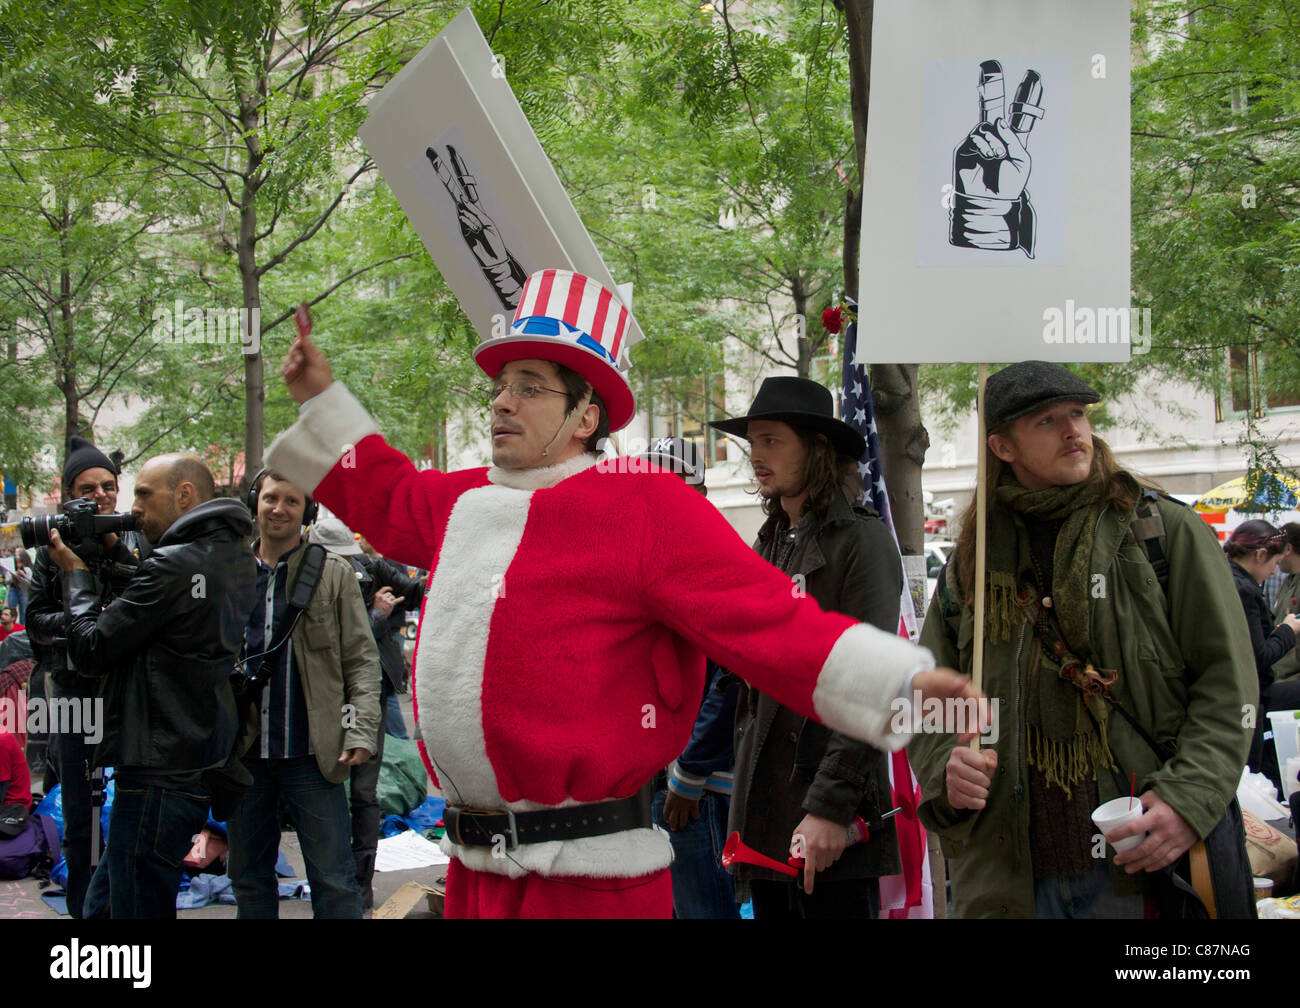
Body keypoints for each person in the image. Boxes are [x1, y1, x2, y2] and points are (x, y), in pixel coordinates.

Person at [266, 267, 982, 919]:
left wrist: (906, 687)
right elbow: (387, 495)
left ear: (585, 417)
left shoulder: (643, 506)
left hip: (588, 886)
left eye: (531, 387)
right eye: (501, 385)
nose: (503, 402)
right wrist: (323, 400)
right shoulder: (466, 501)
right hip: (476, 878)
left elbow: (769, 624)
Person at [911, 361, 1257, 918]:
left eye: (1077, 413)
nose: (1075, 430)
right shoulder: (971, 564)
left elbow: (1229, 685)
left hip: (1142, 862)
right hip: (1010, 878)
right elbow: (928, 695)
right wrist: (945, 768)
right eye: (1046, 421)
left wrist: (1187, 800)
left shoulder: (1162, 532)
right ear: (1003, 446)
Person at [710, 378, 901, 918]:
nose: (756, 458)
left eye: (771, 441)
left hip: (826, 814)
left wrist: (829, 809)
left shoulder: (861, 540)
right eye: (752, 443)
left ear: (817, 448)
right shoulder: (770, 539)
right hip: (765, 808)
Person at [46, 453, 257, 919]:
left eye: (144, 494)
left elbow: (92, 647)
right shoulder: (233, 553)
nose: (133, 507)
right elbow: (165, 612)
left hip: (158, 770)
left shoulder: (174, 564)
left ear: (184, 495)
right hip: (188, 760)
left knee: (137, 908)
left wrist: (75, 573)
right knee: (106, 904)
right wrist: (118, 563)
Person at [226, 471, 381, 919]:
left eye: (291, 501)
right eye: (271, 498)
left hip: (313, 755)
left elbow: (361, 659)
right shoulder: (229, 573)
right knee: (249, 883)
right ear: (255, 502)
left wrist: (361, 731)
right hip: (244, 754)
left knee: (333, 882)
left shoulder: (333, 574)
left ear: (307, 511)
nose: (279, 508)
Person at [23, 437, 145, 918]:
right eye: (87, 488)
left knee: (132, 812)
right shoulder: (52, 548)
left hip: (128, 695)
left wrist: (113, 552)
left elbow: (146, 602)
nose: (100, 497)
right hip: (75, 696)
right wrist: (88, 619)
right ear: (69, 494)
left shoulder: (134, 541)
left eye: (108, 487)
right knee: (79, 818)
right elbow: (34, 621)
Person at [310, 515, 423, 911]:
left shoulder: (370, 567)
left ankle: (360, 884)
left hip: (369, 690)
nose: (346, 567)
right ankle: (335, 882)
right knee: (329, 789)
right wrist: (376, 616)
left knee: (363, 789)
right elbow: (338, 642)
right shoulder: (307, 579)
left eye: (350, 558)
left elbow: (416, 592)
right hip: (326, 694)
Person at [1225, 520, 1300, 788]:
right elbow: (1258, 657)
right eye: (1273, 563)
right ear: (1259, 555)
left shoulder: (1225, 578)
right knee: (1251, 769)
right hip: (1247, 697)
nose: (1273, 571)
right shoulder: (1243, 590)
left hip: (1239, 694)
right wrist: (1287, 632)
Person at [6, 548, 32, 623]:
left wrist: (24, 575)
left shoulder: (27, 569)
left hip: (23, 591)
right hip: (13, 590)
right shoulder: (11, 568)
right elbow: (7, 581)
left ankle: (22, 628)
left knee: (24, 612)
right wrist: (14, 575)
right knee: (11, 611)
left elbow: (30, 583)